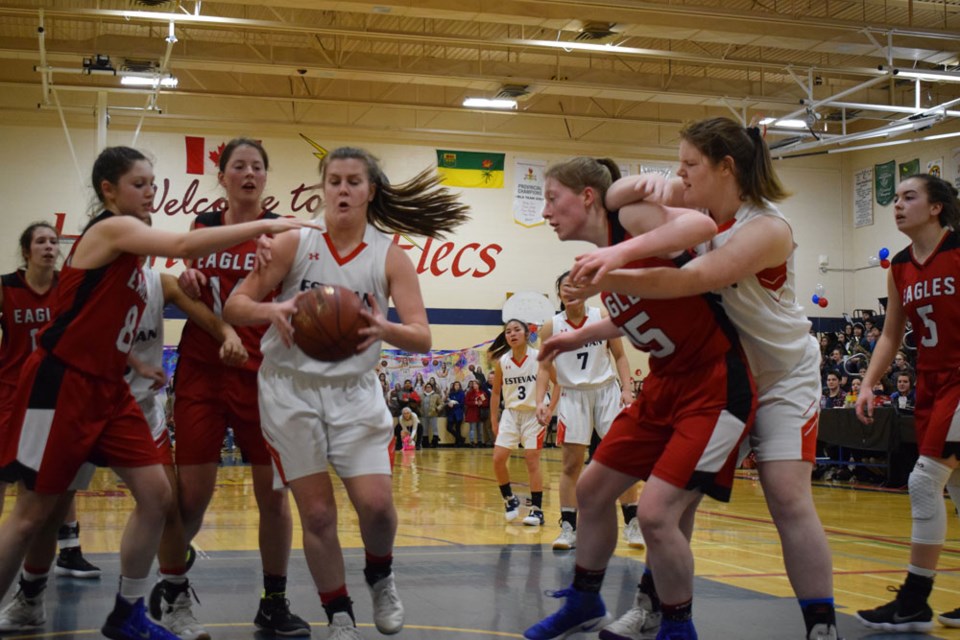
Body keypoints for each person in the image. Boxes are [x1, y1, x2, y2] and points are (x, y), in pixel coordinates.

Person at [0, 146, 311, 640]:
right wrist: (264, 226)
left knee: (156, 495)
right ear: (109, 191)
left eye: (152, 182)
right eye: (139, 184)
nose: (150, 192)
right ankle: (28, 597)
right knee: (35, 511)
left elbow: (102, 315)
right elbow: (186, 250)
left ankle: (129, 611)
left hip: (116, 388)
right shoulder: (112, 229)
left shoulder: (139, 254)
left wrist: (136, 359)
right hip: (63, 384)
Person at [565, 117, 840, 640]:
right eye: (679, 164)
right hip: (719, 377)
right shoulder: (692, 202)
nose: (680, 174)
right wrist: (638, 185)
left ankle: (821, 626)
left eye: (690, 164)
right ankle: (653, 607)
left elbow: (694, 278)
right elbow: (617, 197)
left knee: (786, 497)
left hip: (781, 376)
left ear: (726, 167)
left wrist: (606, 267)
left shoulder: (766, 227)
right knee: (674, 498)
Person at [223, 145, 469, 638]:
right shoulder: (296, 242)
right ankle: (339, 614)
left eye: (353, 181)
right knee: (316, 513)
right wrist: (272, 311)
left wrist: (384, 329)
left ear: (369, 192)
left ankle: (380, 573)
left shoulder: (389, 255)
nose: (341, 189)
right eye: (333, 180)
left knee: (377, 507)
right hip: (290, 391)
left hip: (355, 392)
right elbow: (235, 305)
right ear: (323, 188)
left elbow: (422, 335)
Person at [523, 156, 755, 640]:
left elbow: (699, 223)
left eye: (551, 198)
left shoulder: (625, 218)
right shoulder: (604, 255)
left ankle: (677, 626)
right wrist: (578, 337)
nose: (544, 211)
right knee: (590, 490)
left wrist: (618, 258)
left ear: (587, 195)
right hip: (667, 383)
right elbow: (645, 311)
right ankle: (585, 602)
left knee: (654, 513)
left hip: (713, 383)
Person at [156, 138, 308, 636]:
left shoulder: (285, 234)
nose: (248, 173)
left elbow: (299, 301)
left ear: (266, 177)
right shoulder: (202, 228)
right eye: (238, 166)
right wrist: (192, 283)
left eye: (257, 167)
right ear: (221, 177)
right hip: (202, 369)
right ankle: (175, 588)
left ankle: (274, 599)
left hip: (264, 374)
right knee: (192, 498)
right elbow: (179, 285)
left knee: (274, 496)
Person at [854, 174, 960, 633]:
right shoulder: (899, 265)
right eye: (894, 198)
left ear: (936, 207)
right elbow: (892, 332)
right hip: (931, 381)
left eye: (908, 197)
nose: (897, 205)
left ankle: (915, 600)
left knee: (924, 480)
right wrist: (866, 382)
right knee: (958, 488)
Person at [128, 258, 249, 639]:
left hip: (140, 409)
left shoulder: (159, 283)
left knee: (167, 502)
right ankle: (32, 591)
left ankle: (169, 596)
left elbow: (201, 311)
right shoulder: (82, 281)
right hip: (85, 403)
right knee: (39, 512)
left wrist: (227, 332)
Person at [0, 223, 102, 633]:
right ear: (26, 251)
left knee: (56, 485)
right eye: (40, 241)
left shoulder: (68, 286)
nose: (48, 247)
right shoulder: (7, 287)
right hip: (9, 394)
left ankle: (68, 549)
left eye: (52, 242)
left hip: (50, 394)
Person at [535, 270, 643, 552]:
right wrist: (541, 401)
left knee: (620, 460)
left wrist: (627, 389)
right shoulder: (551, 326)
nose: (571, 291)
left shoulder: (602, 317)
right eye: (565, 287)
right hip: (573, 395)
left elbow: (620, 355)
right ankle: (569, 528)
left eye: (576, 286)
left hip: (607, 391)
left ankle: (633, 523)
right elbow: (544, 368)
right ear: (559, 294)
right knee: (571, 465)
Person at [489, 320, 553, 526]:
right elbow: (496, 392)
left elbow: (558, 382)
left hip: (533, 414)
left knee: (531, 459)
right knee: (498, 459)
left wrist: (549, 408)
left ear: (527, 334)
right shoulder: (502, 361)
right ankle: (509, 499)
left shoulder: (539, 357)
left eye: (517, 330)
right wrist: (493, 419)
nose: (512, 334)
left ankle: (537, 510)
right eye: (508, 331)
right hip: (511, 413)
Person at [445, 381, 466, 447]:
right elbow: (448, 401)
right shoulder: (451, 393)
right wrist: (449, 404)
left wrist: (454, 405)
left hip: (458, 412)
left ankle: (458, 443)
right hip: (451, 413)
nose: (456, 386)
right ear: (453, 386)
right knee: (449, 427)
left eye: (458, 385)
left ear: (460, 386)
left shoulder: (462, 393)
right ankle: (461, 439)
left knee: (457, 428)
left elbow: (462, 404)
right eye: (455, 385)